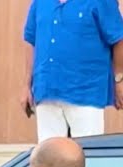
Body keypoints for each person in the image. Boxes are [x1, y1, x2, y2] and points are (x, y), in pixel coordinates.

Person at [22, 0, 123, 142]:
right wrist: (26, 85)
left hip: (86, 92)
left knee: (88, 154)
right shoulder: (39, 2)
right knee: (49, 155)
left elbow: (118, 39)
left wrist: (119, 80)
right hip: (46, 90)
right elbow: (31, 40)